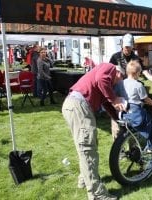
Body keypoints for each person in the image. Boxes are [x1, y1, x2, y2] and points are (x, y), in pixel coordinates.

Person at [62, 63, 126, 200]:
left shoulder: (103, 82)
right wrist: (115, 99)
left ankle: (84, 180)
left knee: (87, 146)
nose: (117, 84)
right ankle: (97, 194)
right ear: (119, 74)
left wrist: (118, 119)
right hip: (79, 106)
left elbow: (106, 103)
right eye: (120, 80)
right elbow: (102, 81)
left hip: (73, 105)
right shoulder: (110, 68)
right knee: (88, 149)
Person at [109, 33, 152, 139]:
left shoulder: (136, 59)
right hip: (119, 93)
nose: (127, 49)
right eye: (126, 47)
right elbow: (110, 75)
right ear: (122, 45)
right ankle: (118, 150)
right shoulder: (115, 57)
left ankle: (133, 149)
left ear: (133, 46)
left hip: (131, 95)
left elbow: (146, 73)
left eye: (129, 47)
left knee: (131, 125)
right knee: (117, 123)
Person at [118, 60, 152, 150]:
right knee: (149, 124)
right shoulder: (138, 85)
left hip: (124, 112)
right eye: (139, 73)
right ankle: (151, 146)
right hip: (135, 112)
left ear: (127, 72)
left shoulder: (121, 83)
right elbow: (146, 99)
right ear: (137, 73)